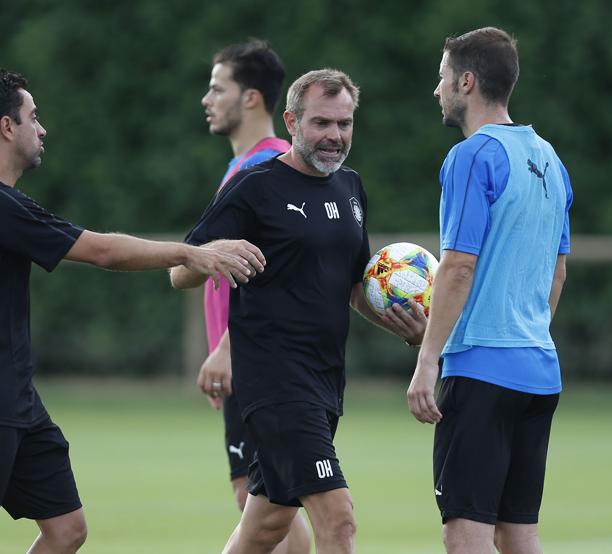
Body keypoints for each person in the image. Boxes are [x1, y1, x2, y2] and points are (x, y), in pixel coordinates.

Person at [0, 69, 263, 554]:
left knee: (67, 529)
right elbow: (102, 251)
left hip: (14, 399)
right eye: (32, 117)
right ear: (6, 127)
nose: (41, 129)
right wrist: (191, 253)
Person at [172, 69, 426, 554]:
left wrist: (407, 328)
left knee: (264, 527)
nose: (334, 136)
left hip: (326, 379)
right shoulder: (255, 187)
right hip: (274, 382)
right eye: (321, 123)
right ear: (291, 120)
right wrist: (213, 255)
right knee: (338, 517)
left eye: (345, 124)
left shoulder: (351, 188)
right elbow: (180, 271)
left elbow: (355, 288)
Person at [406, 27, 572, 554]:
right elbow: (557, 272)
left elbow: (457, 266)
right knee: (519, 534)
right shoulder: (550, 158)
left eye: (442, 79)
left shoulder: (472, 156)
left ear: (467, 82)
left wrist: (428, 358)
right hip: (539, 372)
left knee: (467, 535)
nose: (437, 90)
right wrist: (527, 335)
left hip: (480, 373)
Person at [197, 40, 312, 554]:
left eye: (218, 88)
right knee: (267, 506)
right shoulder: (245, 166)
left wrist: (226, 347)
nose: (208, 98)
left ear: (251, 99)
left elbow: (271, 276)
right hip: (249, 361)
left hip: (253, 361)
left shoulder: (264, 169)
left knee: (264, 506)